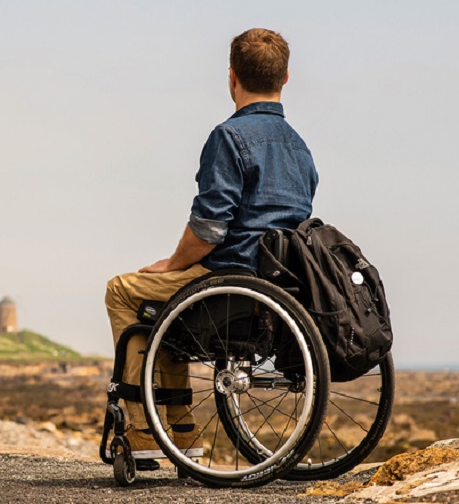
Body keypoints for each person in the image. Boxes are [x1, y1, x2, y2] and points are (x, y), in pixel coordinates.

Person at [105, 28, 318, 465]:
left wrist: (170, 264)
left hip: (228, 281)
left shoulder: (230, 137)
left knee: (126, 291)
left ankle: (146, 432)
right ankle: (182, 429)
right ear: (286, 78)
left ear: (232, 77)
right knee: (160, 311)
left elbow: (208, 228)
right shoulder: (300, 148)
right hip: (278, 287)